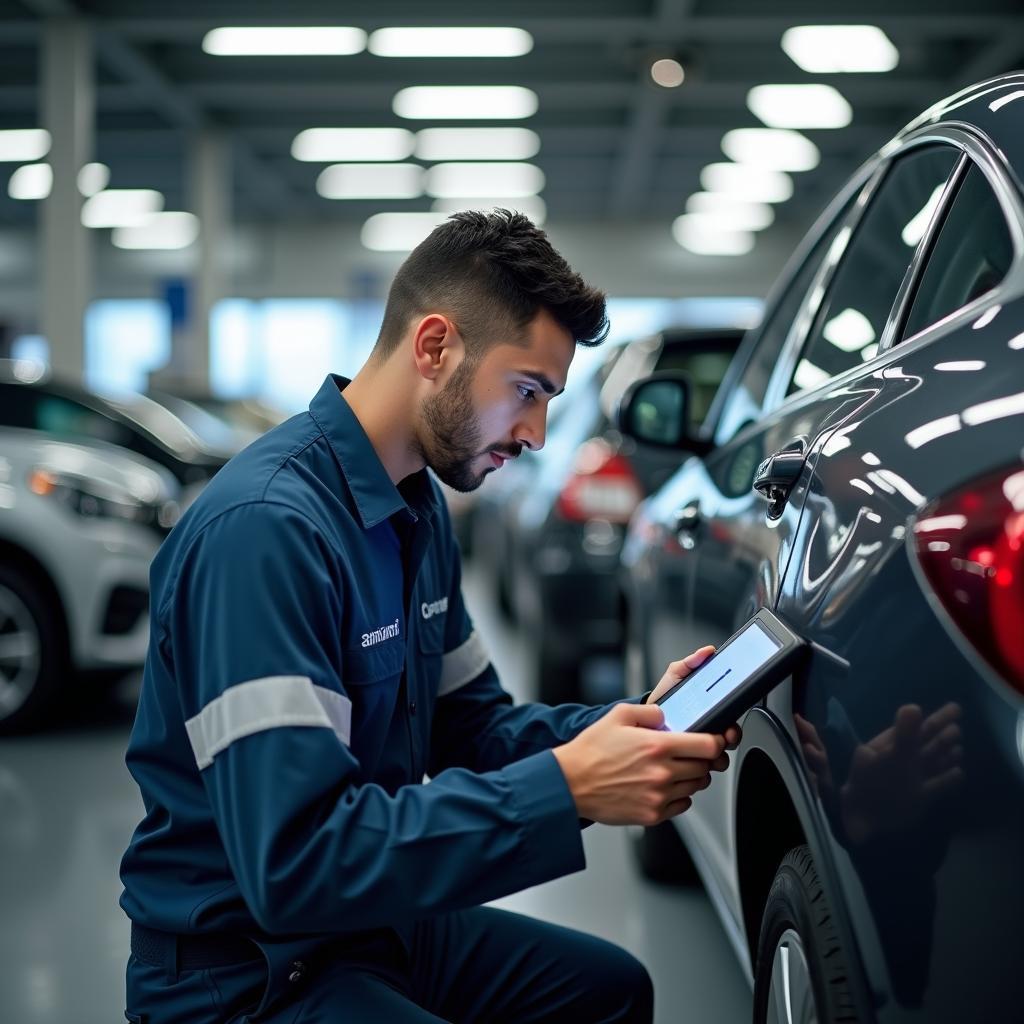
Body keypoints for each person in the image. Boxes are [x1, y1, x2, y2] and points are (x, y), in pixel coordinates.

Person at [120, 210, 740, 1024]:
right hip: (246, 973)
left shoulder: (416, 513)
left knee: (610, 991)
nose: (536, 432)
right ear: (435, 346)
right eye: (526, 391)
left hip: (363, 927)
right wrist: (567, 791)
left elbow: (473, 730)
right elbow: (295, 862)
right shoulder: (267, 533)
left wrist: (633, 729)